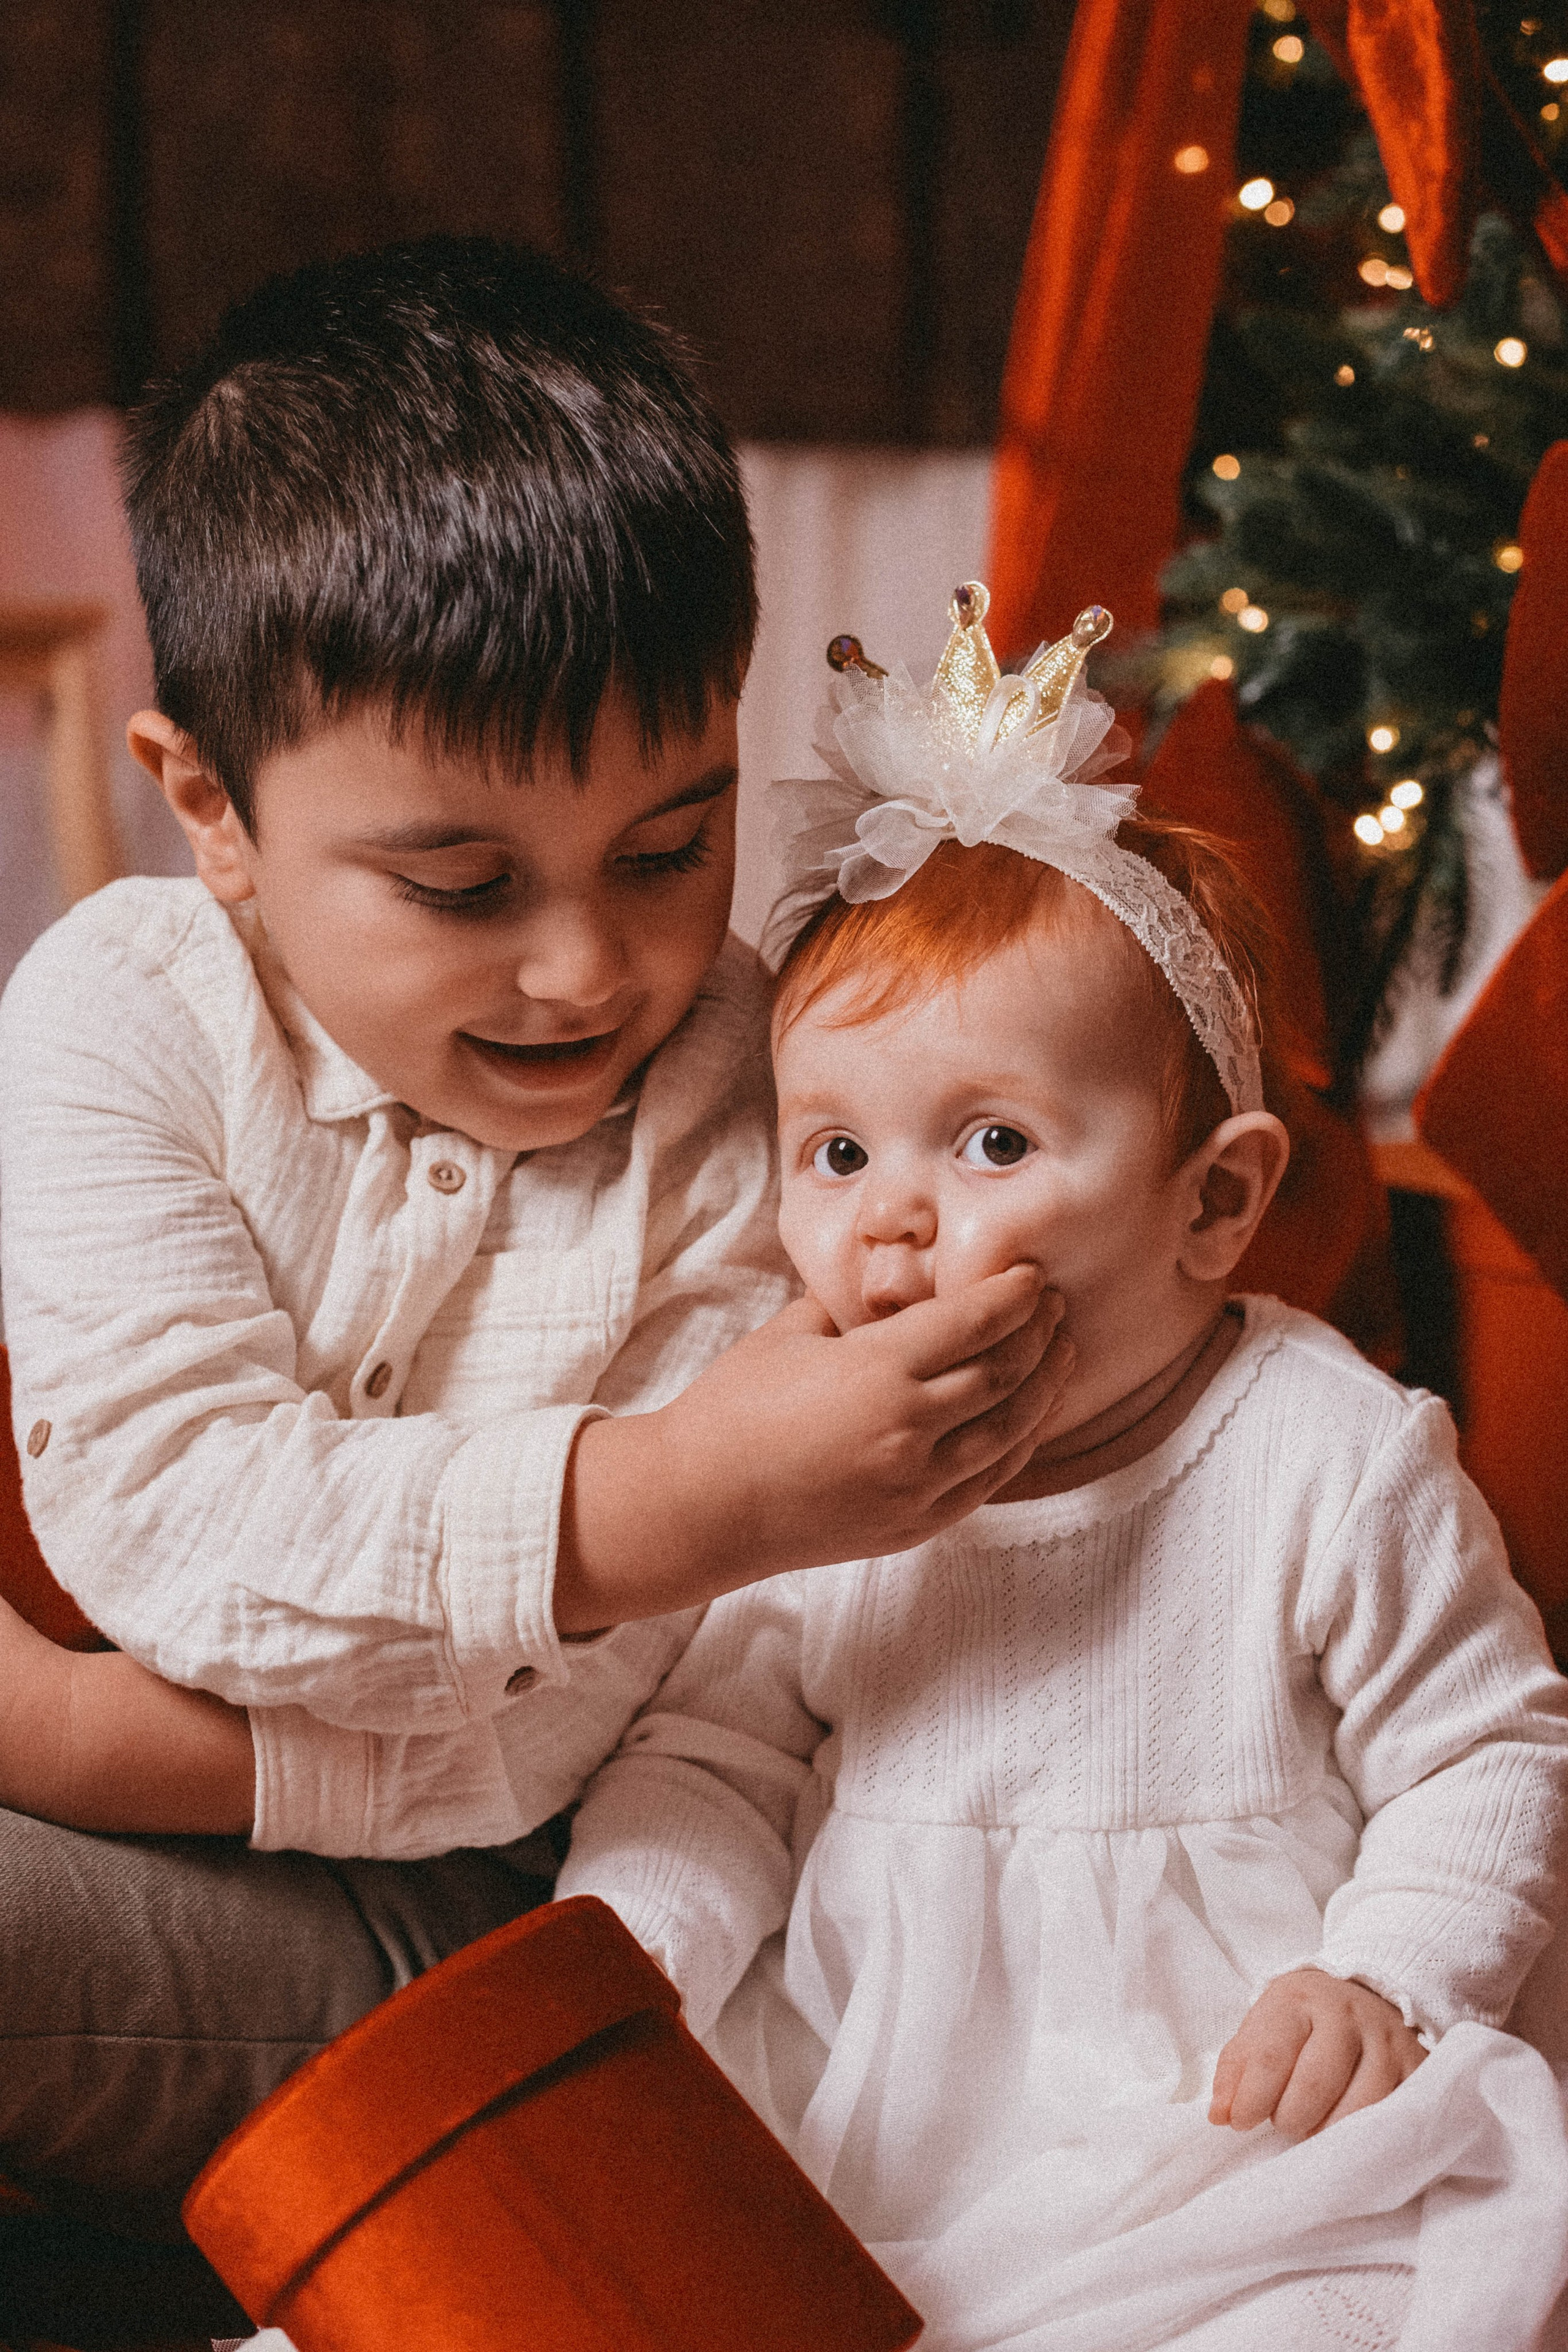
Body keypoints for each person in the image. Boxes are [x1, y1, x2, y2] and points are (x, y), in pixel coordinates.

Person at [0, 252, 1071, 2304]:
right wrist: (656, 1501)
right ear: (211, 809)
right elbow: (166, 1511)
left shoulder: (759, 1086)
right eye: (463, 888)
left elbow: (554, 1735)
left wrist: (72, 1740)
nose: (588, 971)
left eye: (670, 850)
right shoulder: (117, 1013)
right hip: (214, 1814)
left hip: (502, 1930)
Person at [557, 585, 1568, 2351]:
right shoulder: (813, 1466)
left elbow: (1487, 1747)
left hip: (1233, 2138)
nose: (897, 1216)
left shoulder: (1327, 1457)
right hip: (885, 2124)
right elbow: (712, 1758)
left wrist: (1387, 1975)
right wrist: (625, 1955)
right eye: (838, 1149)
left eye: (996, 1140)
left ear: (1217, 1203)